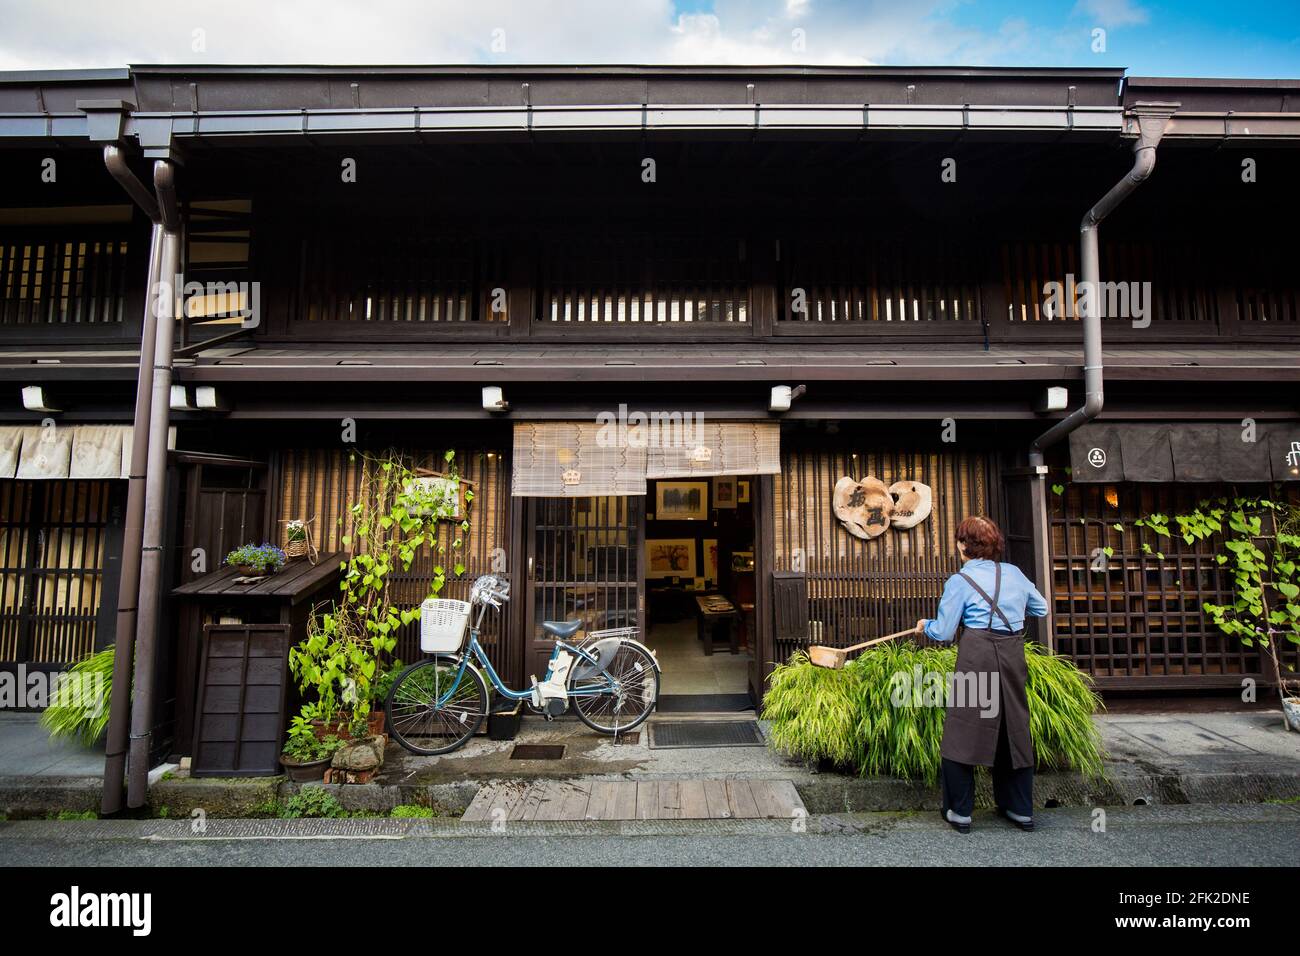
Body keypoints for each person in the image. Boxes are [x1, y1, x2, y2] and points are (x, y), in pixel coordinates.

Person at [915, 515, 1048, 834]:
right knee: (1013, 725)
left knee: (964, 728)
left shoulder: (960, 581)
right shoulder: (1014, 574)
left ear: (963, 545)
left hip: (978, 652)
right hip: (1013, 652)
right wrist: (1012, 612)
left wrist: (926, 626)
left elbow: (945, 631)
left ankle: (960, 812)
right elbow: (1041, 609)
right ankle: (1019, 809)